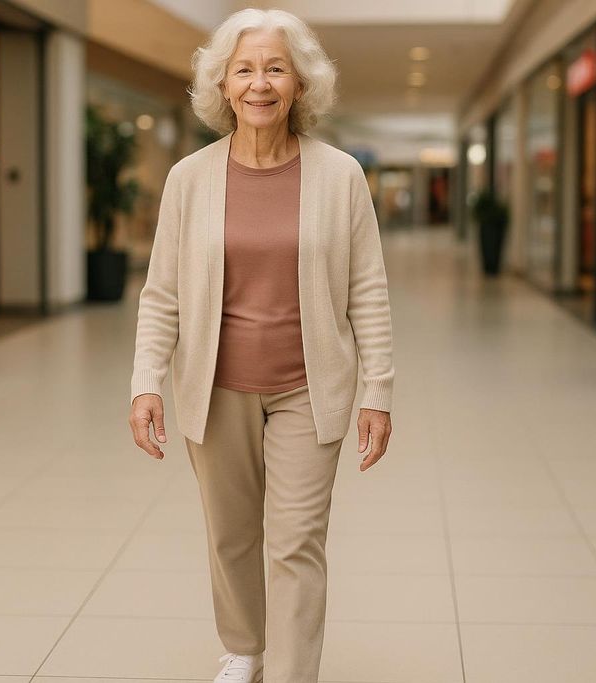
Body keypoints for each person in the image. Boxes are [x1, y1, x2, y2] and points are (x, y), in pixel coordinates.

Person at [128, 8, 394, 682]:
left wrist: (378, 391)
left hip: (310, 387)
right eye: (244, 69)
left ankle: (292, 672)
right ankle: (244, 648)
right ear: (222, 85)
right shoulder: (190, 179)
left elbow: (368, 290)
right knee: (231, 534)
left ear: (301, 84)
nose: (260, 83)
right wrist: (145, 382)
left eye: (276, 68)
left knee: (297, 542)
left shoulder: (340, 178)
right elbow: (162, 292)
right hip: (215, 389)